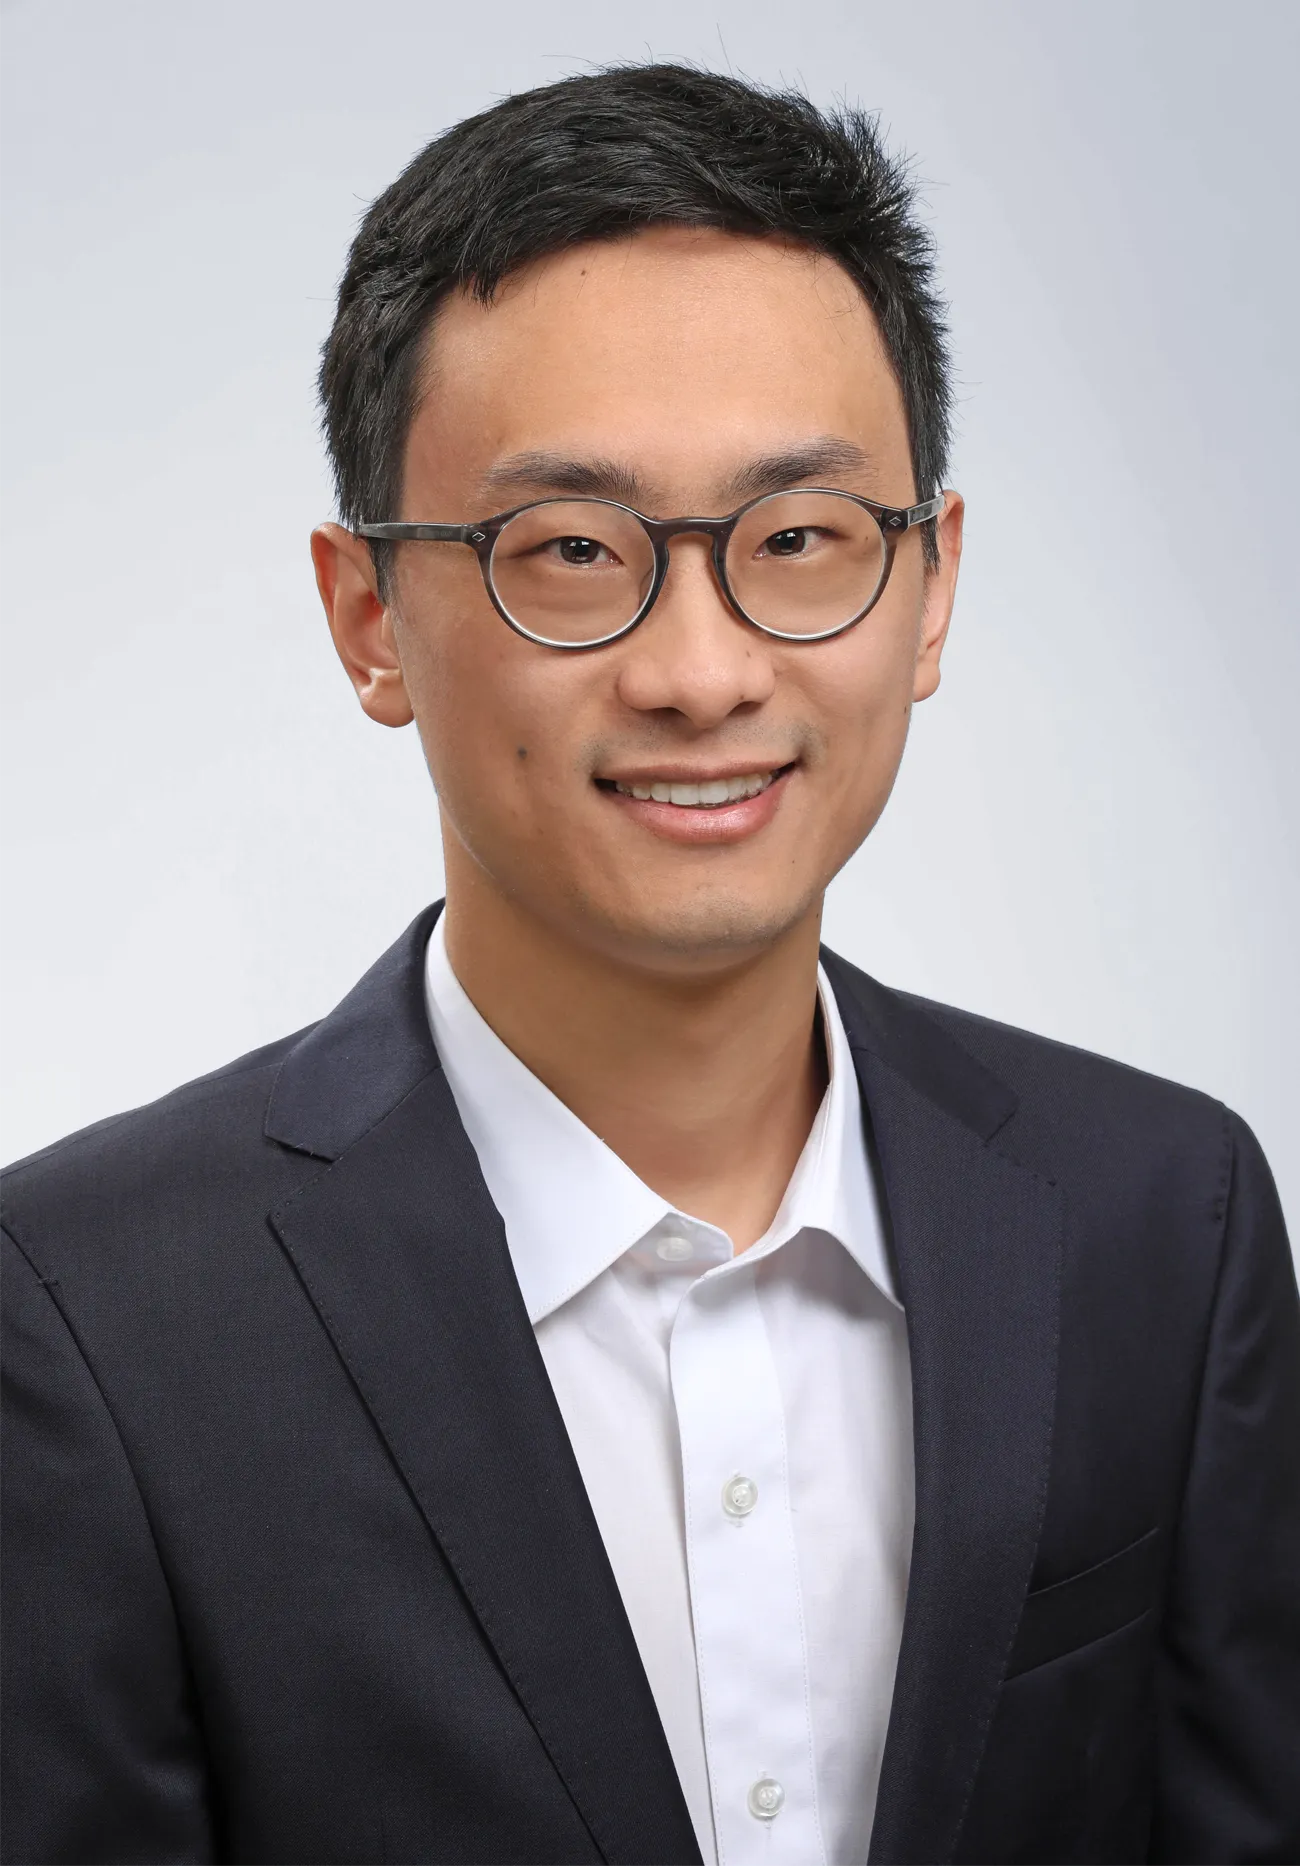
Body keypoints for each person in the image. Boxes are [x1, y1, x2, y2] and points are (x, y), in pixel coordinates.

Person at [0, 61, 1295, 1866]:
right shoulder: (86, 1314)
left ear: (928, 592)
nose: (702, 668)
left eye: (798, 540)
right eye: (576, 553)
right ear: (369, 614)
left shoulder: (1167, 1215)